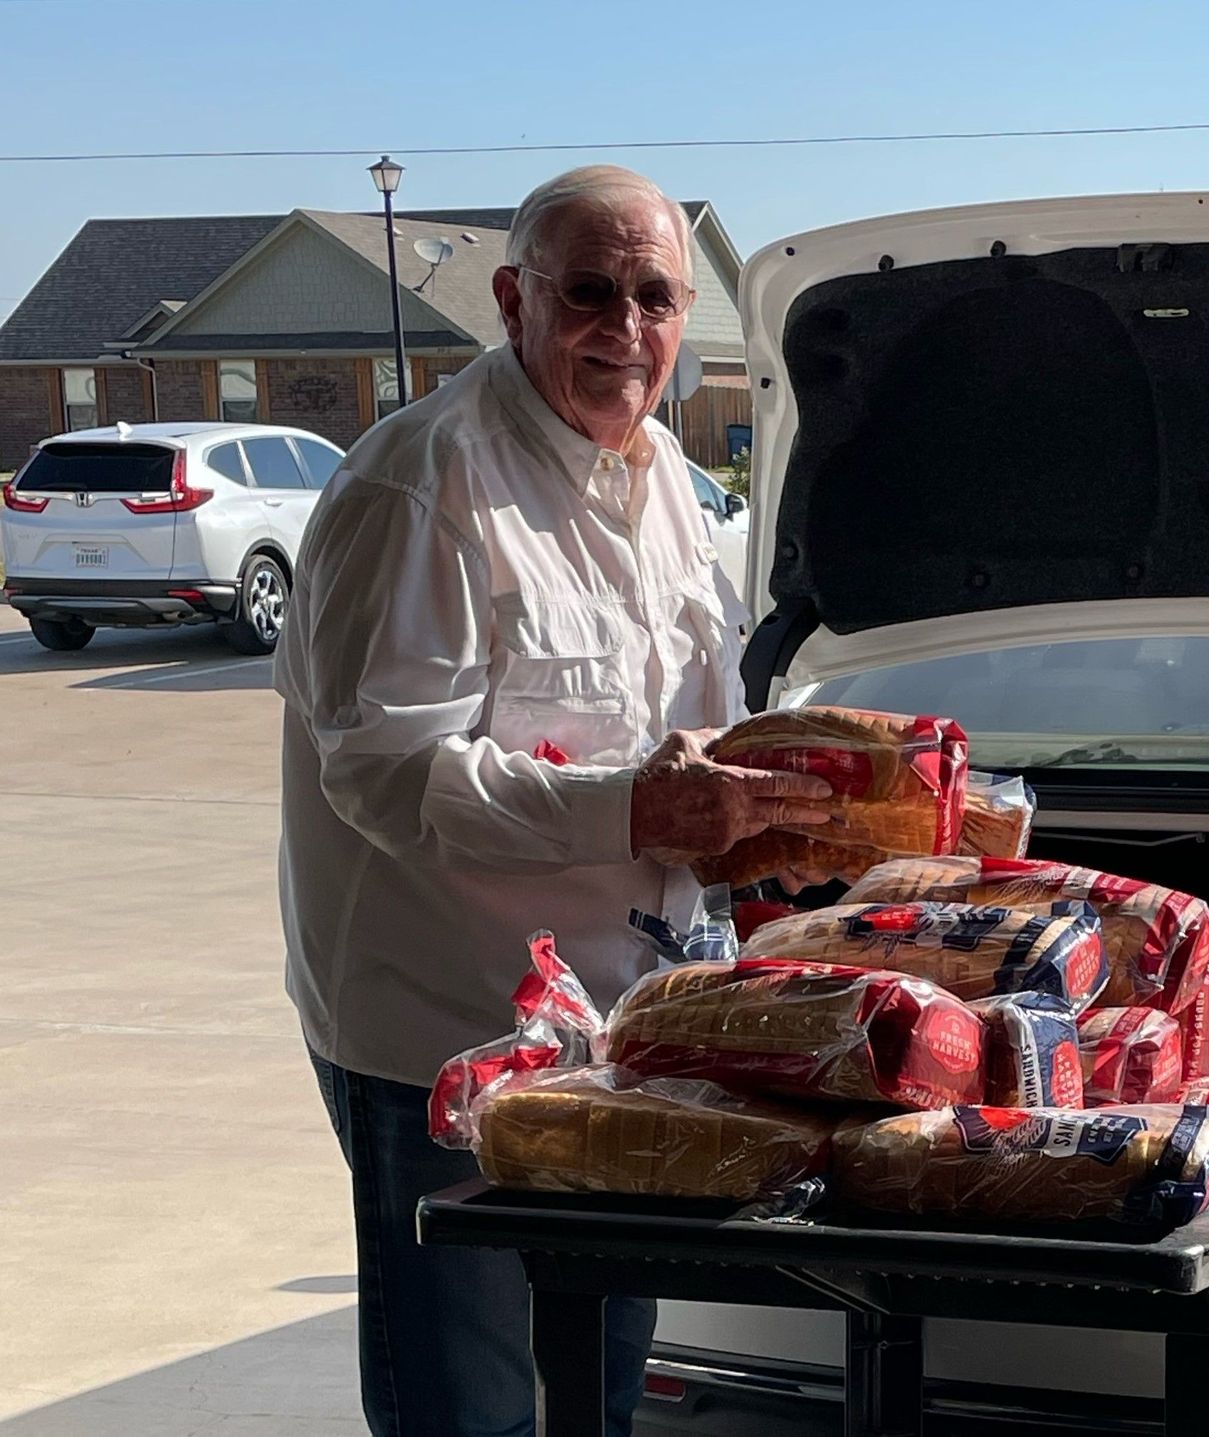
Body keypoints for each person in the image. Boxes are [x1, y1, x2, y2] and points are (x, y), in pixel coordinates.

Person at [275, 165, 833, 1437]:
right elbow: (385, 775)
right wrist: (638, 815)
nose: (624, 331)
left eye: (655, 297)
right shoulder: (421, 487)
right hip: (445, 1031)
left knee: (601, 1374)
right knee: (469, 1403)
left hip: (621, 1026)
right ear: (515, 298)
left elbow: (692, 730)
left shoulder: (672, 488)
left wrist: (758, 834)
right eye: (590, 292)